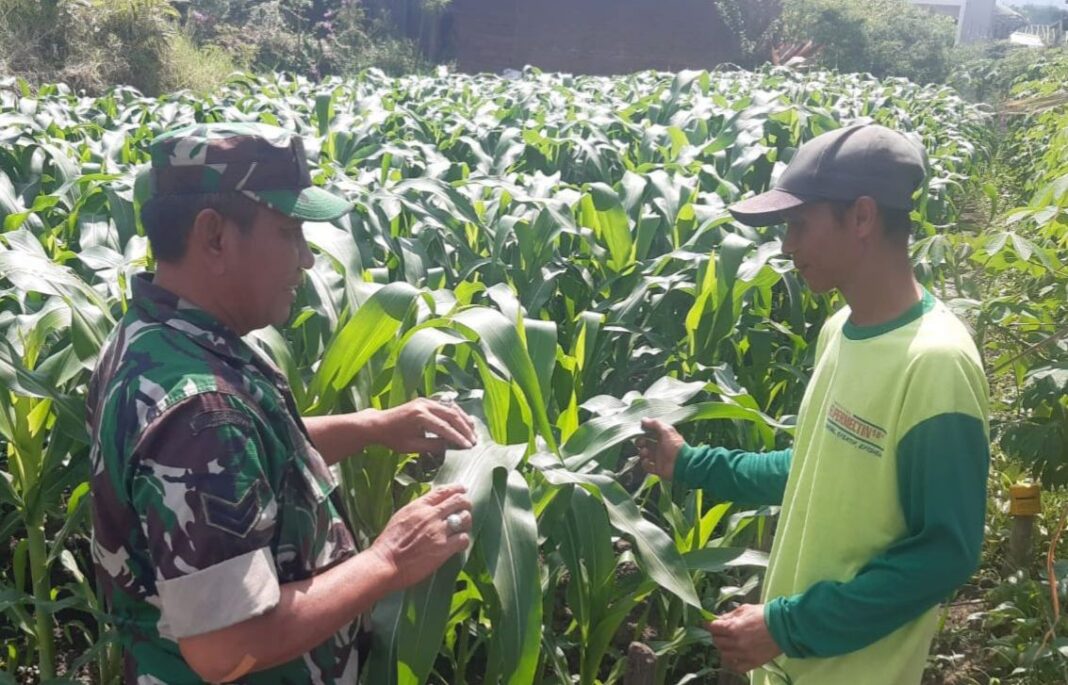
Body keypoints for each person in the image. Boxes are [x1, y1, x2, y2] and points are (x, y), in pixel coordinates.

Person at [87, 122, 479, 684]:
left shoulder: (152, 337)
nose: (308, 261)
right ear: (215, 236)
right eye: (289, 231)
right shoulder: (199, 412)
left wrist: (372, 425)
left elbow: (243, 458)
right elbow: (226, 647)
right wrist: (389, 558)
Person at [638, 124, 989, 685]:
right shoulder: (840, 331)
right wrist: (692, 464)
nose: (786, 246)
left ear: (863, 217)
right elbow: (816, 469)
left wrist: (786, 625)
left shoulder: (935, 363)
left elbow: (945, 554)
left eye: (799, 224)